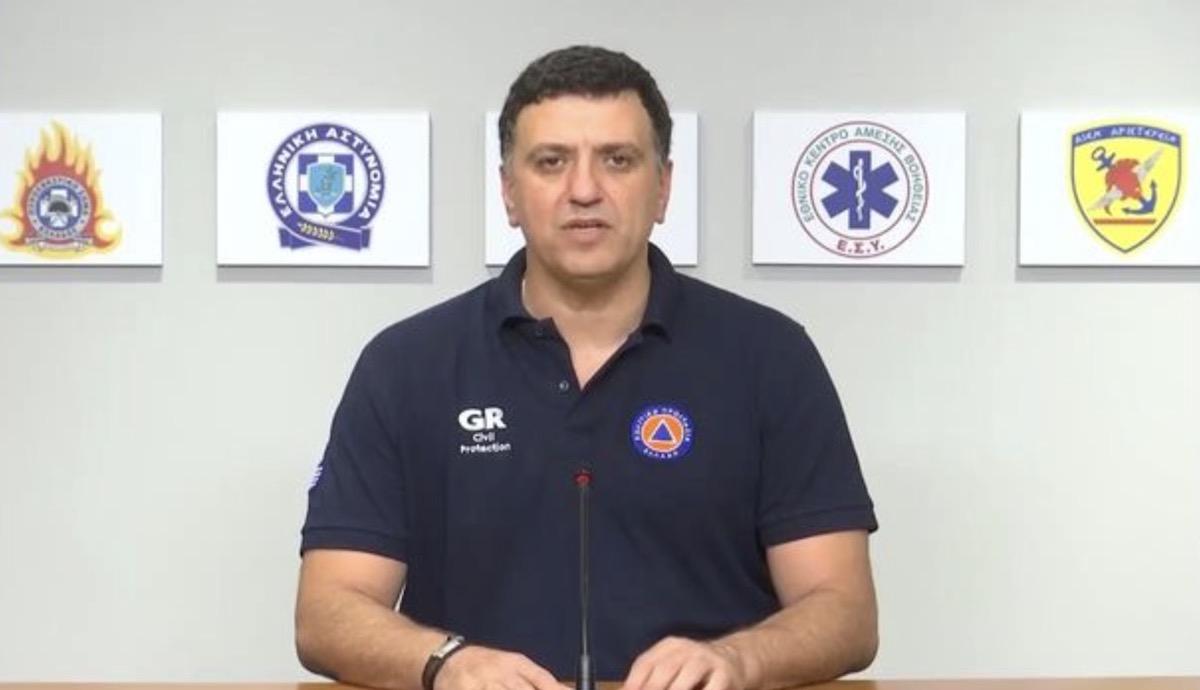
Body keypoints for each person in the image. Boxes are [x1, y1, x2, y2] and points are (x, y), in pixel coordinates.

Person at [296, 45, 878, 690]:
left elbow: (843, 610)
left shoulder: (771, 356)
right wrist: (445, 662)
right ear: (509, 192)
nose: (584, 190)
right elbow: (327, 612)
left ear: (663, 187)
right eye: (551, 162)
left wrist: (740, 659)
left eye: (617, 160)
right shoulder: (406, 365)